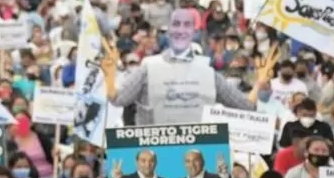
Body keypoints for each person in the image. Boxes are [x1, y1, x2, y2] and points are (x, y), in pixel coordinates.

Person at [104, 8, 259, 125]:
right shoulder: (148, 68)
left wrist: (260, 82)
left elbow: (245, 106)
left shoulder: (207, 72)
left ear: (194, 31)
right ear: (169, 31)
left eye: (187, 25)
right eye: (176, 25)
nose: (181, 30)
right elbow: (118, 98)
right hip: (155, 156)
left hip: (199, 154)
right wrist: (109, 76)